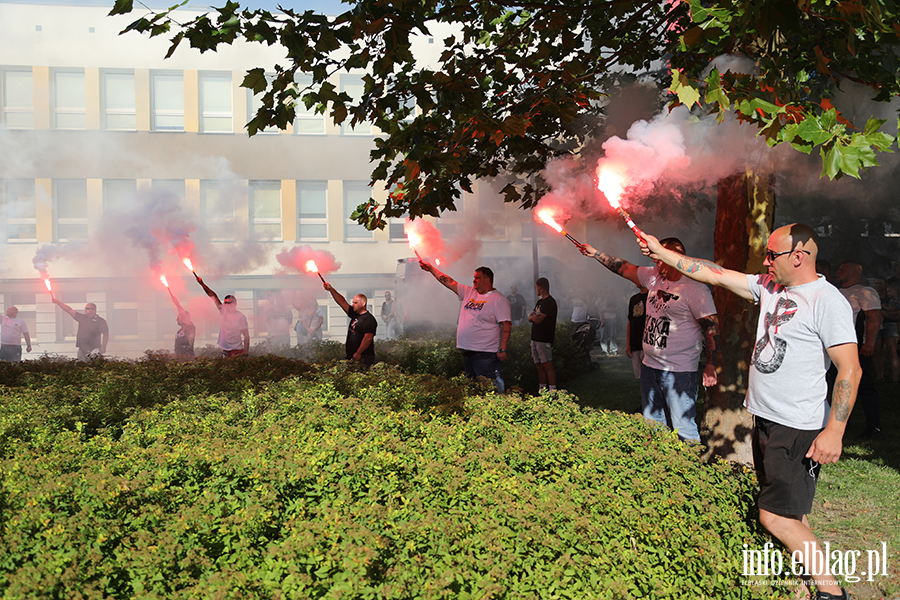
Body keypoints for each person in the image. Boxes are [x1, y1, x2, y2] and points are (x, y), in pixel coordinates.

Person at [639, 223, 861, 600]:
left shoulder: (827, 300)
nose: (764, 261)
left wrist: (834, 431)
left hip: (797, 426)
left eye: (771, 255)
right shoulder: (771, 287)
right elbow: (715, 273)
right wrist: (664, 253)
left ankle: (832, 593)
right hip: (766, 418)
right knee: (790, 510)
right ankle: (804, 579)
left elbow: (850, 370)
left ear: (799, 256)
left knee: (772, 515)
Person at [579, 237, 719, 442]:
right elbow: (623, 267)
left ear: (675, 257)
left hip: (679, 371)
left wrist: (710, 365)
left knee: (683, 427)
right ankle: (660, 467)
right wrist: (595, 253)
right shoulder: (654, 277)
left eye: (660, 258)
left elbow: (712, 329)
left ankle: (691, 468)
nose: (656, 263)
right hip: (650, 366)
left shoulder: (695, 290)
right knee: (653, 424)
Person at [419, 261, 511, 391]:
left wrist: (502, 349)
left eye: (477, 278)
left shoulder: (498, 299)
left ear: (487, 280)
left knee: (490, 391)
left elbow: (506, 324)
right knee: (473, 392)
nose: (474, 281)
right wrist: (431, 269)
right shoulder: (469, 292)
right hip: (467, 354)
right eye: (473, 278)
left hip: (486, 356)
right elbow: (449, 282)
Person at [835, 260, 882, 438]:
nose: (838, 271)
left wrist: (869, 344)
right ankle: (843, 424)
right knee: (839, 385)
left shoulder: (865, 292)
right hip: (837, 347)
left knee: (864, 385)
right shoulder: (838, 292)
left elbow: (874, 317)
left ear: (855, 273)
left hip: (857, 347)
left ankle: (874, 426)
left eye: (842, 269)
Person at [195, 278, 250, 357]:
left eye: (229, 303)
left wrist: (246, 354)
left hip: (236, 350)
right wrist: (202, 284)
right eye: (225, 303)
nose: (226, 305)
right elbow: (213, 296)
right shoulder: (224, 311)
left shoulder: (240, 317)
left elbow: (246, 336)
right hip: (225, 350)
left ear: (235, 303)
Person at [323, 283, 377, 365]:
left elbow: (368, 338)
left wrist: (358, 353)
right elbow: (342, 302)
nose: (353, 305)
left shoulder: (369, 319)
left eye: (355, 303)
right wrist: (331, 289)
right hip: (352, 356)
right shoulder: (354, 314)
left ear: (363, 304)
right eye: (353, 302)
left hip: (363, 357)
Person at [528, 277, 558, 392]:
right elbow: (531, 317)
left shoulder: (550, 302)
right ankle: (542, 390)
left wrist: (534, 317)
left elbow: (538, 320)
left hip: (544, 338)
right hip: (535, 338)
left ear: (540, 287)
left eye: (536, 287)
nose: (536, 289)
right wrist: (533, 317)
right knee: (539, 365)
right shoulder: (539, 302)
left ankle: (552, 392)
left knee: (547, 364)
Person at [626, 285, 649, 380]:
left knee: (648, 374)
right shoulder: (634, 299)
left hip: (648, 343)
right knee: (638, 375)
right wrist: (628, 343)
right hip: (635, 343)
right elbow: (630, 321)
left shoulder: (652, 298)